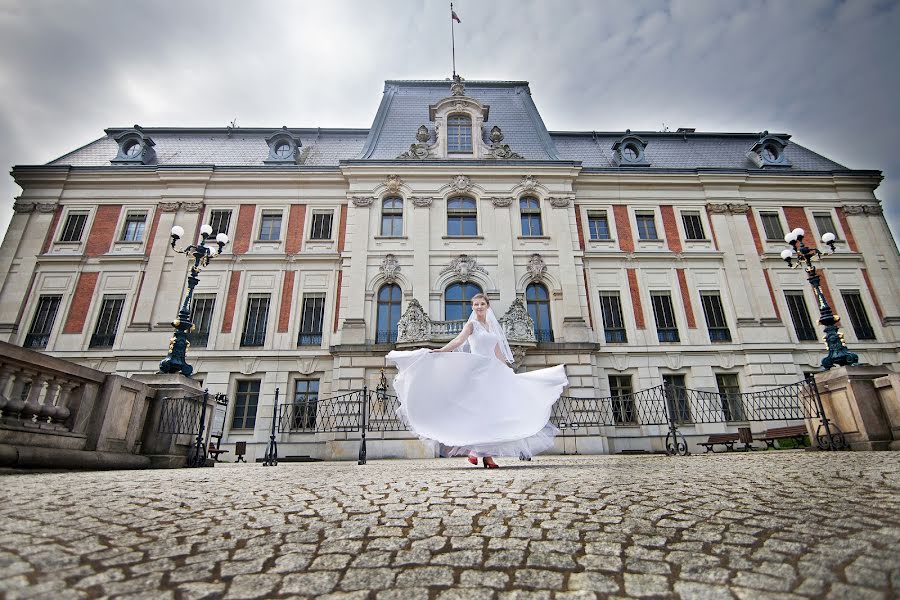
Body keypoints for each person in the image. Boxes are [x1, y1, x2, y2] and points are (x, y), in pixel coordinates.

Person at [386, 293, 568, 468]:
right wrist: (442, 351)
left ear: (487, 306)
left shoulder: (493, 327)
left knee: (492, 414)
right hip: (477, 372)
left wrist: (508, 371)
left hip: (493, 373)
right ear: (473, 307)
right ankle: (479, 453)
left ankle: (481, 454)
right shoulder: (472, 325)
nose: (479, 307)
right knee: (479, 412)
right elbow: (458, 340)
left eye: (482, 304)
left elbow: (498, 354)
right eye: (476, 304)